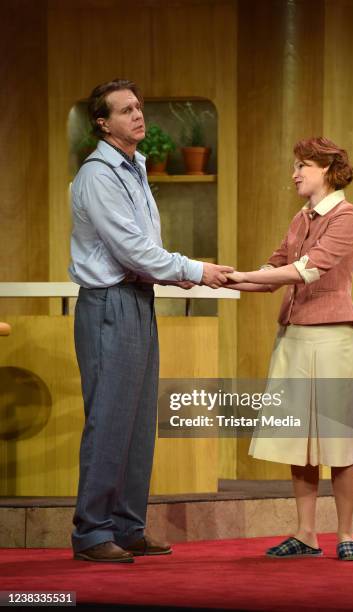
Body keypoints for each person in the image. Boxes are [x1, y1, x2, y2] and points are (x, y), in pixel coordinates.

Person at [69, 78, 233, 563]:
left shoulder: (135, 166)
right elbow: (132, 249)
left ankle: (126, 524)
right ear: (103, 123)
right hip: (109, 303)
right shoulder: (99, 175)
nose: (138, 116)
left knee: (138, 420)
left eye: (139, 107)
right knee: (109, 418)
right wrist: (194, 270)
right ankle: (92, 532)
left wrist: (176, 272)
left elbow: (145, 252)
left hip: (137, 298)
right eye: (126, 110)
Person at [227, 137, 353, 561]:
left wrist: (245, 275)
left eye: (303, 165)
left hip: (330, 334)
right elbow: (275, 268)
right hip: (294, 334)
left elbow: (307, 268)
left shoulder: (348, 215)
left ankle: (346, 535)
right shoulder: (300, 217)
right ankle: (306, 534)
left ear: (327, 169)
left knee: (336, 438)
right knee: (299, 438)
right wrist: (220, 279)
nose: (295, 173)